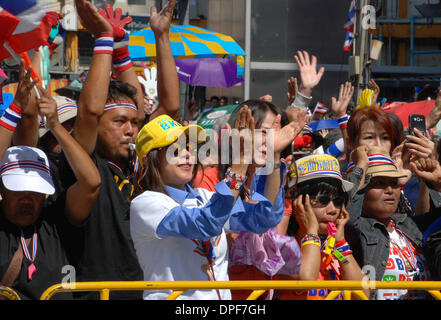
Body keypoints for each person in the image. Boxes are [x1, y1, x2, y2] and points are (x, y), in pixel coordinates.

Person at [54, 0, 180, 300]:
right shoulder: (83, 161)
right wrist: (103, 40)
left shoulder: (138, 162)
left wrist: (159, 37)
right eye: (120, 122)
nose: (131, 130)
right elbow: (90, 111)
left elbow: (171, 107)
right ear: (95, 128)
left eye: (134, 123)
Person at [130, 113, 284, 300]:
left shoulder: (207, 197)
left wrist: (274, 159)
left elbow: (264, 218)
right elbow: (205, 224)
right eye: (175, 150)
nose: (187, 154)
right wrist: (240, 163)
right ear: (148, 160)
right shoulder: (145, 203)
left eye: (190, 147)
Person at [0, 62, 100, 300]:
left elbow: (91, 183)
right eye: (18, 190)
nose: (27, 199)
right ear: (2, 190)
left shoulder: (55, 220)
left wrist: (55, 125)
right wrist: (13, 111)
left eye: (35, 192)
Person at [346, 146, 441, 300]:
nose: (389, 189)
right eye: (379, 183)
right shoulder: (355, 228)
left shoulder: (409, 224)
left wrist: (438, 184)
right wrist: (361, 167)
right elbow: (347, 214)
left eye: (394, 183)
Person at [279, 154, 367, 300]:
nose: (333, 209)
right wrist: (311, 231)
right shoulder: (280, 245)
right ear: (297, 202)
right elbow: (307, 279)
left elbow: (363, 294)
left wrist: (340, 242)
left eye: (338, 201)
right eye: (323, 200)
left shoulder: (334, 250)